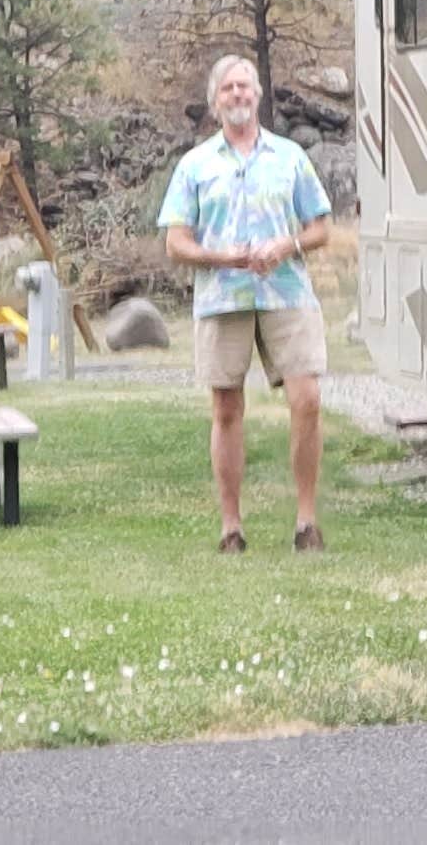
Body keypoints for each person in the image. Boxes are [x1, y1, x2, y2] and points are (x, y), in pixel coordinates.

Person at [158, 53, 333, 553]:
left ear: (258, 95)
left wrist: (286, 245)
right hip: (222, 297)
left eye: (245, 86)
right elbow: (176, 241)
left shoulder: (289, 157)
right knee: (227, 407)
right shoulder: (195, 165)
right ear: (216, 102)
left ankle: (306, 522)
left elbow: (321, 226)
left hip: (287, 292)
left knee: (307, 399)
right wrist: (221, 257)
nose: (238, 95)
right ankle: (231, 527)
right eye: (228, 88)